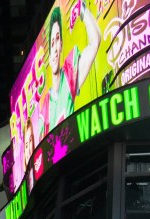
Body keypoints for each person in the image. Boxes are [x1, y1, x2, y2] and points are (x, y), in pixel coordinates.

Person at [44, 0, 101, 128]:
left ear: (61, 45)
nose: (55, 49)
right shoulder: (45, 105)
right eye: (52, 43)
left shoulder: (69, 75)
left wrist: (82, 10)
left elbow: (94, 42)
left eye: (58, 39)